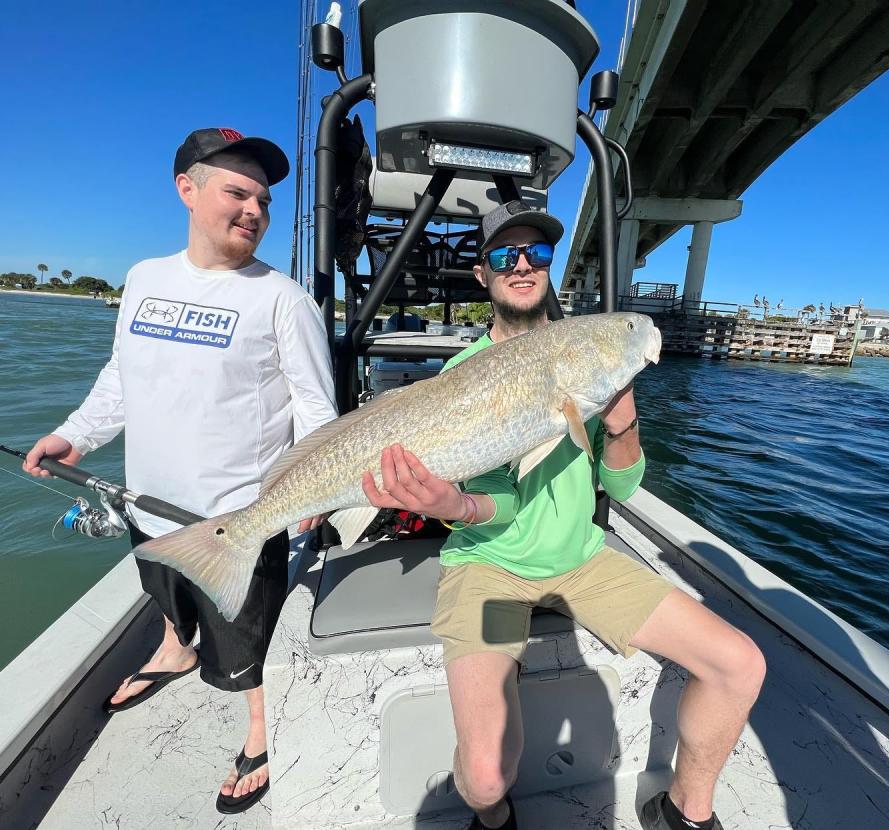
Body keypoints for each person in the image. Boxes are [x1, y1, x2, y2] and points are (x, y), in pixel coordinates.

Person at [361, 201, 766, 830]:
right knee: (487, 775)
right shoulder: (461, 376)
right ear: (483, 274)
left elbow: (623, 485)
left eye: (538, 253)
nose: (522, 265)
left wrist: (623, 419)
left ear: (550, 267)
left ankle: (686, 813)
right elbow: (499, 504)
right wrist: (452, 506)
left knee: (740, 663)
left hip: (582, 562)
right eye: (505, 255)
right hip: (491, 573)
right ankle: (495, 819)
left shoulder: (583, 356)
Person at [23, 127, 337, 814]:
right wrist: (76, 436)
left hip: (234, 522)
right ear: (186, 190)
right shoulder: (143, 278)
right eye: (237, 192)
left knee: (245, 644)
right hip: (147, 503)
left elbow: (318, 408)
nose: (254, 209)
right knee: (164, 593)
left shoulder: (284, 300)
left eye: (263, 199)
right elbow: (121, 378)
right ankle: (173, 649)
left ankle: (262, 730)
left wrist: (315, 488)